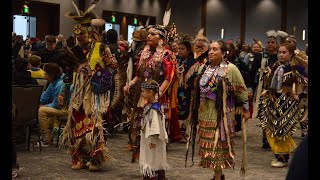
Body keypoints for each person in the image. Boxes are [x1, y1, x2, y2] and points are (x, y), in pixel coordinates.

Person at [61, 0, 123, 172]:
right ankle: (79, 156)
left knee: (94, 126)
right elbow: (67, 73)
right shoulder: (74, 51)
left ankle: (95, 158)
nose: (79, 36)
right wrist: (64, 91)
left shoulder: (101, 48)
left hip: (95, 94)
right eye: (76, 34)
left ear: (90, 32)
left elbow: (113, 67)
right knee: (76, 124)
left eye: (82, 33)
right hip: (78, 93)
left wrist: (96, 73)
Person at [187, 40, 250, 180]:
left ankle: (217, 177)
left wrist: (246, 109)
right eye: (210, 49)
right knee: (209, 145)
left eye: (215, 49)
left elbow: (242, 90)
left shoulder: (231, 69)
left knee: (219, 145)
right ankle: (217, 175)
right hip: (205, 112)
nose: (211, 52)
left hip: (221, 114)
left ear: (223, 53)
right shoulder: (203, 68)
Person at [123, 25, 181, 163]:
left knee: (156, 133)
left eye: (152, 34)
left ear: (161, 38)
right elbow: (139, 75)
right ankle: (146, 162)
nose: (148, 36)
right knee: (142, 131)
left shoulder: (166, 55)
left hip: (157, 101)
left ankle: (157, 166)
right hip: (142, 98)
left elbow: (169, 78)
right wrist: (129, 84)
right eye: (148, 34)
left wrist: (157, 95)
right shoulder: (144, 53)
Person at [259, 42, 308, 168]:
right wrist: (266, 91)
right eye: (279, 52)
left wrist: (300, 96)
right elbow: (267, 83)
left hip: (287, 104)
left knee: (283, 131)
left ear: (291, 54)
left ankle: (283, 158)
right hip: (272, 103)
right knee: (271, 130)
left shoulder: (296, 69)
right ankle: (280, 155)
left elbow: (306, 84)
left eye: (284, 52)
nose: (281, 55)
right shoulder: (273, 66)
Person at [139, 80, 169, 180]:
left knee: (152, 159)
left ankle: (153, 176)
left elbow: (156, 128)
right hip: (151, 139)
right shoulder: (151, 106)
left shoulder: (154, 109)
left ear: (150, 92)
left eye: (143, 91)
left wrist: (152, 141)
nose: (141, 93)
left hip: (153, 140)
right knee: (156, 158)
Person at [37, 63, 68, 146]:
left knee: (42, 111)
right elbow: (44, 97)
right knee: (46, 110)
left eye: (46, 74)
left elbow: (58, 104)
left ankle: (45, 139)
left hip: (65, 109)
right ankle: (49, 138)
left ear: (52, 74)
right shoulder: (53, 83)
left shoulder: (60, 84)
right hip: (59, 107)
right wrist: (35, 102)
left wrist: (44, 106)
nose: (44, 75)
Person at [176, 41, 197, 142]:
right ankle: (176, 132)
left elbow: (196, 79)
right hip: (176, 91)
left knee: (186, 110)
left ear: (188, 51)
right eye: (179, 48)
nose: (179, 50)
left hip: (188, 92)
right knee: (177, 109)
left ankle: (185, 133)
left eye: (182, 49)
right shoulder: (175, 60)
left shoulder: (193, 63)